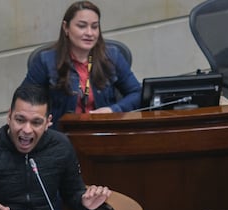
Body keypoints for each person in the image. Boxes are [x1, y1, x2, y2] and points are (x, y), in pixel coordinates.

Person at [22, 0, 141, 128]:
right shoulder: (46, 60)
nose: (89, 33)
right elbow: (25, 100)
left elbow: (137, 93)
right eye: (82, 26)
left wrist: (113, 110)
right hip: (60, 137)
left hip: (104, 132)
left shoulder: (112, 56)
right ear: (66, 27)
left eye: (94, 27)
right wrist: (41, 120)